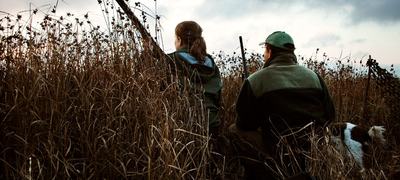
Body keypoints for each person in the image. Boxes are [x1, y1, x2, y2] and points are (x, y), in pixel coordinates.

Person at [229, 31, 335, 179]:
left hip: (277, 150)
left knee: (234, 130)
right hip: (313, 149)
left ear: (270, 51)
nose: (264, 55)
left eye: (264, 51)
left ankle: (262, 172)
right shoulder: (314, 77)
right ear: (291, 52)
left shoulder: (255, 80)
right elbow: (330, 115)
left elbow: (245, 123)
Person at [167, 21, 223, 136]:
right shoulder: (210, 63)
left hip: (183, 126)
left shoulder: (171, 60)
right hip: (212, 123)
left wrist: (146, 53)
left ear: (179, 39)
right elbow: (218, 98)